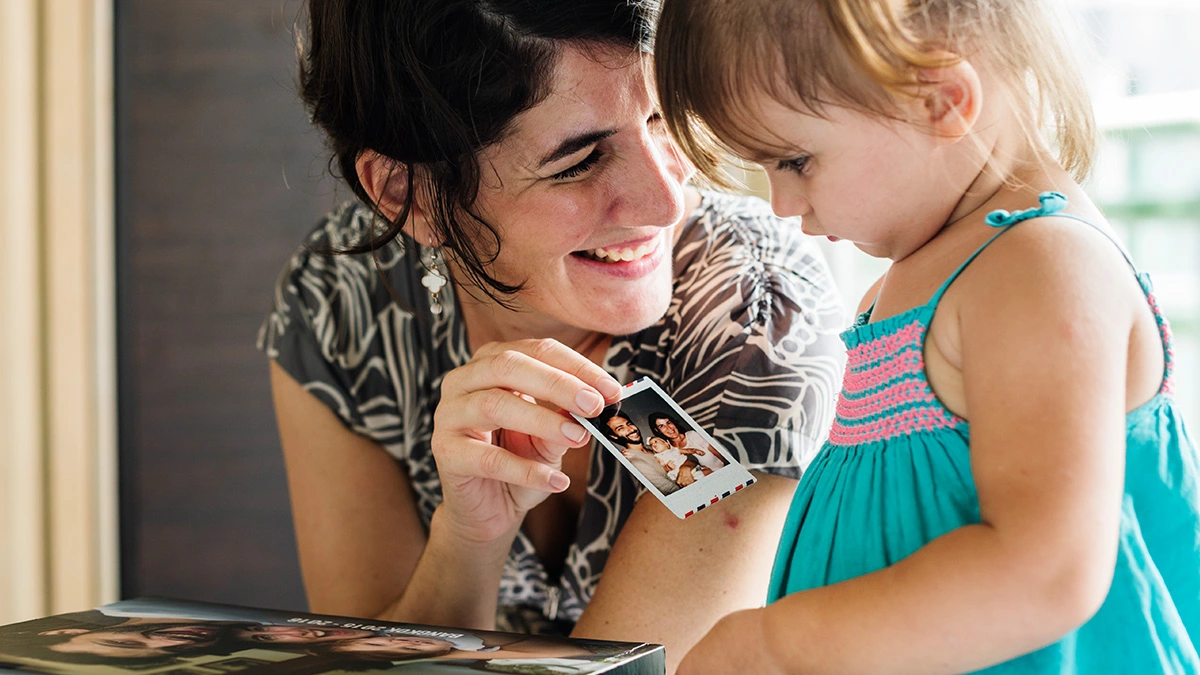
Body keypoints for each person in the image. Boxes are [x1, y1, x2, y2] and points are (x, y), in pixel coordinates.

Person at [259, 0, 845, 670]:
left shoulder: (749, 323)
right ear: (405, 194)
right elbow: (364, 664)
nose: (665, 200)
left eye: (663, 120)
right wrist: (468, 542)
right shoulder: (341, 309)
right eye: (580, 161)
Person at [655, 0, 1200, 673]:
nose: (782, 205)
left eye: (794, 160)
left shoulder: (1037, 269)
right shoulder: (913, 281)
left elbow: (1047, 570)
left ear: (942, 100)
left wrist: (774, 643)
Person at [599, 409, 684, 493]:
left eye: (629, 424)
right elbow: (670, 490)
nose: (631, 429)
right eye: (620, 428)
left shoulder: (655, 446)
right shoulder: (636, 462)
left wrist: (686, 468)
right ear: (613, 436)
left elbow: (685, 458)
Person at [648, 412, 728, 473]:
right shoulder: (666, 451)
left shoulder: (693, 435)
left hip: (722, 471)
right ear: (657, 430)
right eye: (661, 426)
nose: (668, 428)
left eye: (668, 423)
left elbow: (719, 453)